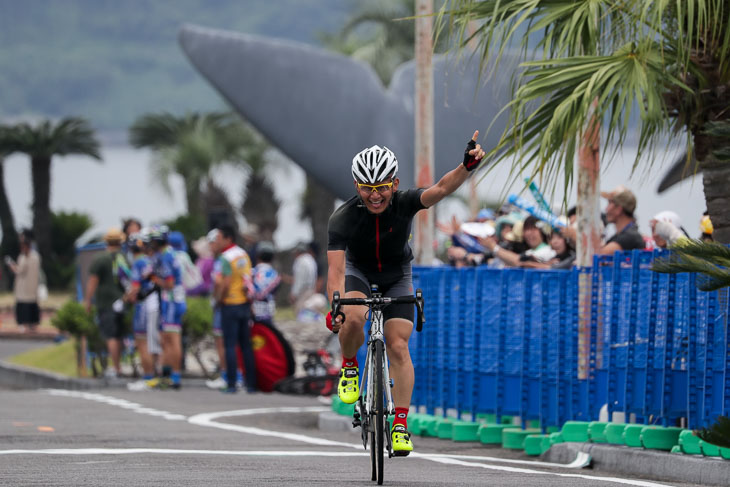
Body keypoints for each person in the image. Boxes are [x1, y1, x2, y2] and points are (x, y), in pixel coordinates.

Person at [327, 130, 485, 456]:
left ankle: (399, 424)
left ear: (394, 184)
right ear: (357, 187)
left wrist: (466, 167)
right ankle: (350, 366)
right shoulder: (342, 217)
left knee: (398, 344)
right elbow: (337, 272)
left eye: (382, 187)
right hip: (358, 272)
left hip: (397, 274)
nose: (375, 196)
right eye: (368, 189)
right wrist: (336, 309)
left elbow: (441, 188)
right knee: (353, 318)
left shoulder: (405, 202)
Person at [212, 225, 257, 393]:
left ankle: (231, 383)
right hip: (245, 303)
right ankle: (251, 384)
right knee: (246, 345)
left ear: (227, 238)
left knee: (230, 345)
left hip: (230, 304)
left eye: (218, 238)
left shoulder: (225, 257)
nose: (216, 242)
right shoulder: (243, 254)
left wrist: (218, 299)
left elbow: (224, 282)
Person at [84, 228, 131, 379]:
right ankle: (119, 366)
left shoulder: (100, 259)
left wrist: (88, 301)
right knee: (120, 335)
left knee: (111, 335)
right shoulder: (125, 258)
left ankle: (116, 368)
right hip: (123, 302)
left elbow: (92, 281)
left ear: (106, 241)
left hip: (106, 302)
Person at [148, 226, 186, 389]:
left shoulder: (166, 257)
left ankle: (175, 376)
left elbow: (169, 283)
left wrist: (155, 280)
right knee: (166, 339)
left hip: (172, 300)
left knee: (172, 339)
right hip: (170, 300)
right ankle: (168, 374)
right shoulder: (167, 254)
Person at [481, 216, 556, 267]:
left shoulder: (548, 251)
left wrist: (493, 247)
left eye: (533, 229)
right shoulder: (528, 252)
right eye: (526, 229)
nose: (529, 233)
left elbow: (519, 262)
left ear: (542, 232)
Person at [6, 229, 42, 333]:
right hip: (32, 289)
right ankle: (32, 325)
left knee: (24, 308)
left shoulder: (25, 257)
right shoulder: (36, 256)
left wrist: (10, 264)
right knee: (32, 307)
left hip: (24, 289)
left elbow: (19, 270)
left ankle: (25, 326)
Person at [599, 185, 645, 254]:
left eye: (609, 203)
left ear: (619, 209)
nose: (606, 209)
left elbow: (596, 256)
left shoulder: (629, 237)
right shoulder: (624, 235)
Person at [251, 241, 281, 325]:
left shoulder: (252, 273)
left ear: (258, 256)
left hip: (253, 310)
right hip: (268, 311)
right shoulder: (275, 275)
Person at [290, 241, 318, 315]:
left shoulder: (300, 261)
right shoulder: (311, 259)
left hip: (303, 291)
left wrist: (294, 293)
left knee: (300, 311)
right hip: (310, 289)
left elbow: (300, 279)